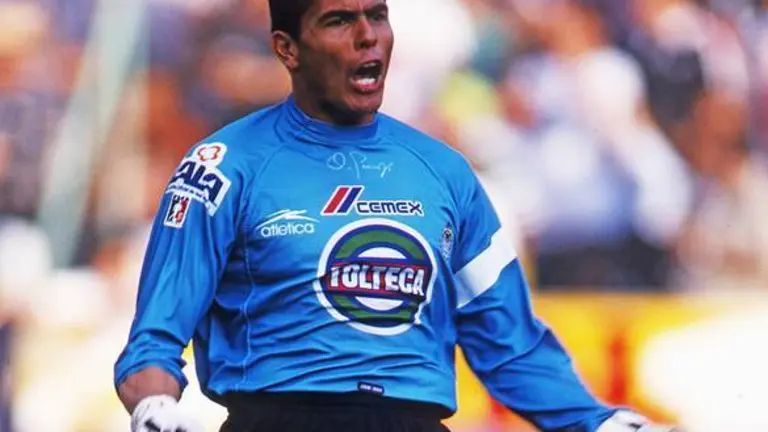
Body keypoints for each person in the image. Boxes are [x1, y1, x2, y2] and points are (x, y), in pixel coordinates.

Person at [114, 0, 680, 431]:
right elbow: (154, 338)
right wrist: (157, 406)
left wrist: (595, 420)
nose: (368, 36)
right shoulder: (223, 166)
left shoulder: (446, 172)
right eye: (338, 20)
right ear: (287, 48)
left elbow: (510, 344)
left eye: (378, 15)